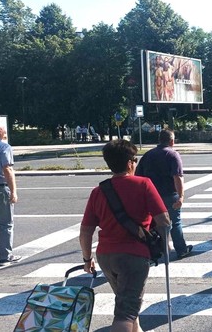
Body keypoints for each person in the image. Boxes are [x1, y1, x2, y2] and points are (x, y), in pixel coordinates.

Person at [79, 139, 171, 332]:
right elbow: (164, 220)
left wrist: (87, 259)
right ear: (130, 163)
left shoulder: (99, 191)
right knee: (125, 314)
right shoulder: (144, 184)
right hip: (133, 255)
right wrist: (165, 244)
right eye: (135, 160)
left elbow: (86, 230)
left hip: (106, 256)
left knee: (126, 304)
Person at [135, 129, 193, 259]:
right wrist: (181, 196)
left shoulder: (148, 155)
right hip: (169, 194)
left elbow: (138, 176)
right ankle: (181, 249)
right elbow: (177, 177)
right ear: (172, 141)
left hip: (151, 195)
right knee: (175, 222)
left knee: (154, 223)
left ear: (159, 140)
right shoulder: (173, 155)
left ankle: (157, 248)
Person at [0, 126, 21, 266]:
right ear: (0, 132)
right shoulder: (4, 147)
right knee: (6, 223)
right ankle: (5, 256)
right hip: (0, 188)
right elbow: (7, 169)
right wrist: (13, 191)